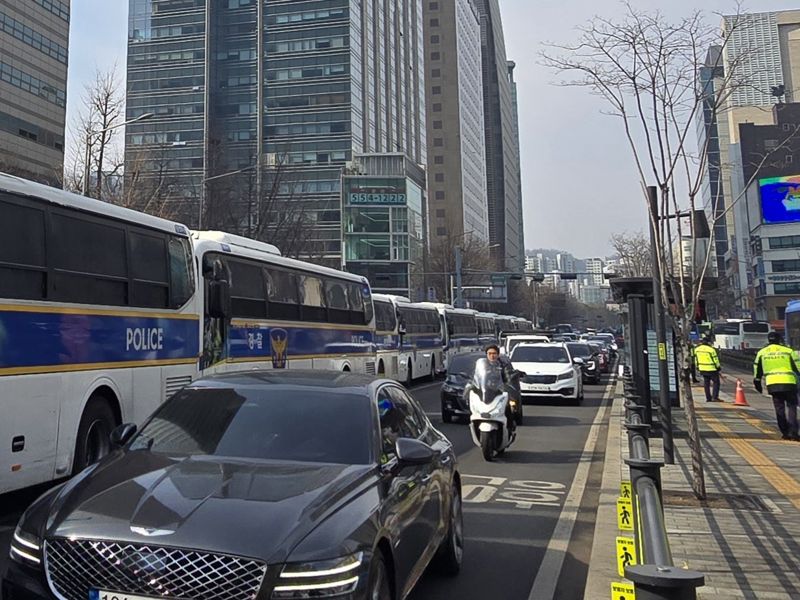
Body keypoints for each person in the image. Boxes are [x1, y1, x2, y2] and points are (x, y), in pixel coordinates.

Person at [753, 332, 800, 441]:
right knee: (792, 406)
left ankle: (785, 432)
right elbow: (798, 366)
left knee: (779, 408)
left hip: (772, 384)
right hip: (789, 383)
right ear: (779, 339)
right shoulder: (788, 351)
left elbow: (757, 369)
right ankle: (794, 432)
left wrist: (757, 382)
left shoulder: (762, 352)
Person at [482, 344, 517, 432]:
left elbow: (508, 377)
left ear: (498, 354)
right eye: (489, 353)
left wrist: (508, 384)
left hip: (500, 392)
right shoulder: (482, 365)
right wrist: (470, 387)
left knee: (509, 407)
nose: (492, 356)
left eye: (494, 353)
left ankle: (510, 427)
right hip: (486, 392)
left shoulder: (503, 365)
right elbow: (476, 377)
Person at [694, 336, 722, 402]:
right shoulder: (711, 350)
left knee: (706, 383)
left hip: (702, 369)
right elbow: (715, 360)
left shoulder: (697, 349)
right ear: (709, 342)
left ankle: (708, 398)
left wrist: (697, 366)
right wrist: (718, 367)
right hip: (712, 369)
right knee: (716, 382)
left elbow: (696, 359)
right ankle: (714, 397)